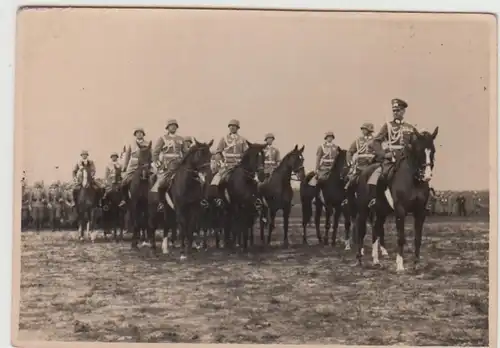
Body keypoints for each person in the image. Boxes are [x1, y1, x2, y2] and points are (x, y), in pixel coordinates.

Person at [367, 98, 417, 206]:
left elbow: (415, 144)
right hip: (392, 159)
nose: (395, 113)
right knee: (380, 175)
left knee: (419, 175)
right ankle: (376, 199)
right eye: (394, 111)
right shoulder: (388, 126)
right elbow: (375, 142)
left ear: (403, 111)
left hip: (407, 159)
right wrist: (384, 154)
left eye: (398, 110)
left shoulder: (410, 127)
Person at [151, 119, 186, 210]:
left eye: (175, 125)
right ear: (167, 127)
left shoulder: (181, 139)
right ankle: (161, 203)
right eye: (171, 125)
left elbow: (185, 153)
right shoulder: (162, 138)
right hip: (167, 165)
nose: (173, 127)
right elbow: (155, 153)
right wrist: (159, 165)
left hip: (179, 164)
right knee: (162, 183)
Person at [210, 119, 248, 186]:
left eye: (234, 126)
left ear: (237, 128)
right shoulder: (224, 138)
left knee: (251, 180)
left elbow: (246, 153)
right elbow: (218, 152)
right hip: (227, 165)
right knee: (216, 181)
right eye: (230, 126)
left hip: (239, 165)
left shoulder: (242, 139)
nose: (232, 127)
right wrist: (220, 162)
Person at [119, 127, 151, 207]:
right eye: (137, 133)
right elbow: (127, 156)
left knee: (154, 178)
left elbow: (151, 154)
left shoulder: (147, 143)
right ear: (135, 134)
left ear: (143, 134)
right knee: (124, 182)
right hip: (133, 165)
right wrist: (125, 167)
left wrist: (151, 164)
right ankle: (124, 199)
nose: (139, 134)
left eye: (141, 133)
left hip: (145, 165)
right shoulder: (131, 144)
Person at [345, 122, 377, 191]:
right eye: (362, 129)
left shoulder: (376, 140)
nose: (362, 131)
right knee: (351, 182)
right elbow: (349, 152)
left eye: (364, 129)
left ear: (369, 130)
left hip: (372, 165)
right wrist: (349, 161)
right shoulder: (358, 140)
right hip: (360, 166)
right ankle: (348, 200)